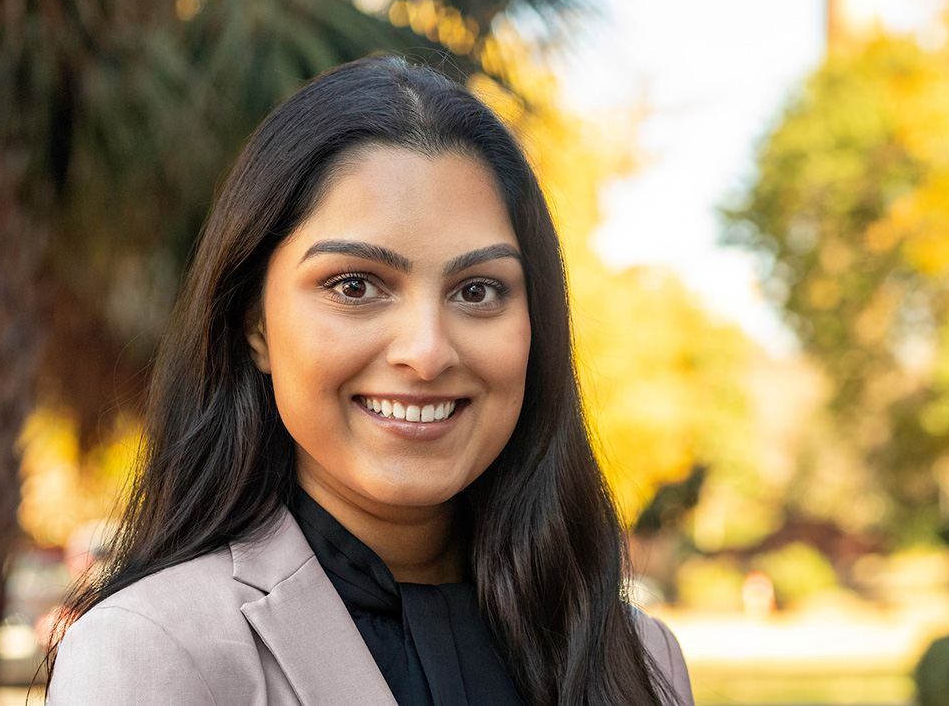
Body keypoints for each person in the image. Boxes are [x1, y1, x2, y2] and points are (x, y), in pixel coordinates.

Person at [46, 56, 695, 706]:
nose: (426, 351)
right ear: (255, 323)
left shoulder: (639, 660)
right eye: (355, 285)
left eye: (477, 290)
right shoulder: (156, 652)